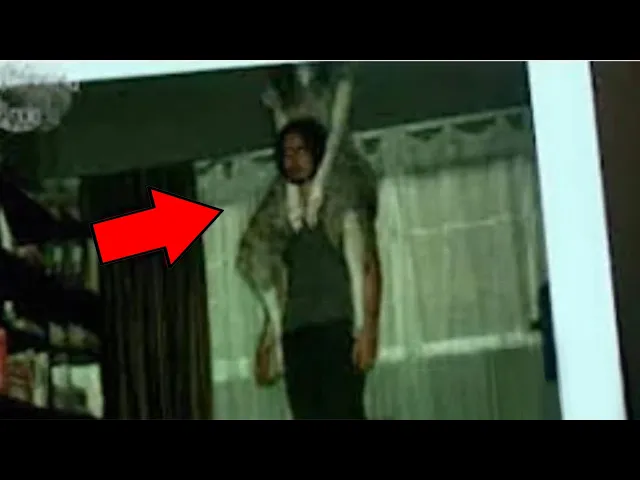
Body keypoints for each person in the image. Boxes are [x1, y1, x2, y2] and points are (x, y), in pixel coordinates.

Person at [236, 117, 382, 420]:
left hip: (337, 330)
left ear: (316, 152)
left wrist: (368, 329)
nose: (293, 160)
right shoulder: (278, 220)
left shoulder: (342, 203)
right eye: (287, 153)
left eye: (300, 150)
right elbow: (271, 282)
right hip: (296, 336)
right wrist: (269, 342)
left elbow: (368, 266)